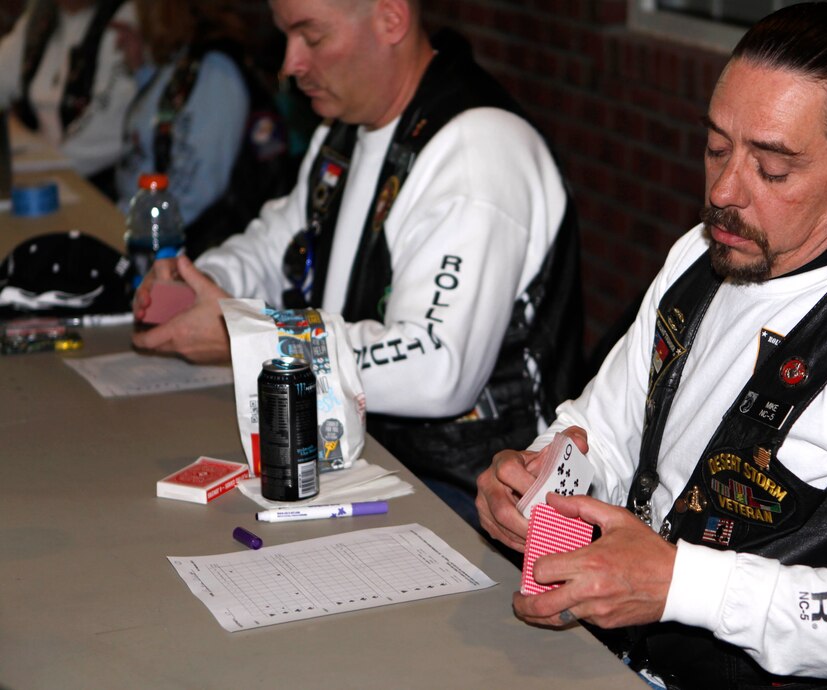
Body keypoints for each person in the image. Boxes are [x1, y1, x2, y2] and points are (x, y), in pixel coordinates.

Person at [476, 3, 827, 689]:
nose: (725, 192)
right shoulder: (704, 256)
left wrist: (682, 585)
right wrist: (536, 483)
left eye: (772, 168)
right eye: (716, 148)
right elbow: (606, 437)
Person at [131, 0, 584, 522]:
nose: (290, 63)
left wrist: (252, 342)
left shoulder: (478, 151)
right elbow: (275, 240)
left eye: (311, 37)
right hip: (367, 459)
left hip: (474, 500)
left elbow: (437, 366)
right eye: (286, 37)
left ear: (391, 18)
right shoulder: (345, 128)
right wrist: (202, 283)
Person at [113, 0, 287, 258]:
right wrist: (140, 70)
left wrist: (139, 232)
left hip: (171, 248)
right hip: (132, 220)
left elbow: (196, 189)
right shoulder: (185, 58)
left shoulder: (216, 70)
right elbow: (159, 125)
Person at [0, 0, 136, 195]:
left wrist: (38, 169)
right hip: (45, 169)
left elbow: (108, 130)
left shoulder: (123, 18)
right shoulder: (40, 16)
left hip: (97, 184)